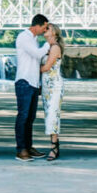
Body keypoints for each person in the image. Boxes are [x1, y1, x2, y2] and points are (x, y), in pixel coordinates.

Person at [14, 13, 49, 161]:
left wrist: (39, 84)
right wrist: (50, 43)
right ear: (37, 25)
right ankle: (21, 150)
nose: (45, 31)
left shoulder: (33, 39)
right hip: (24, 82)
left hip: (33, 83)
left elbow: (36, 61)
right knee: (23, 116)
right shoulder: (24, 37)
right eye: (45, 27)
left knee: (30, 118)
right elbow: (37, 54)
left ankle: (28, 147)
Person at [40, 23, 65, 162]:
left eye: (47, 28)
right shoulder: (47, 47)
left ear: (54, 33)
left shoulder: (55, 47)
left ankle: (54, 147)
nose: (45, 30)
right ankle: (55, 145)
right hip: (46, 86)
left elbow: (47, 67)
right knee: (49, 115)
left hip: (55, 85)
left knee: (53, 115)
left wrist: (29, 69)